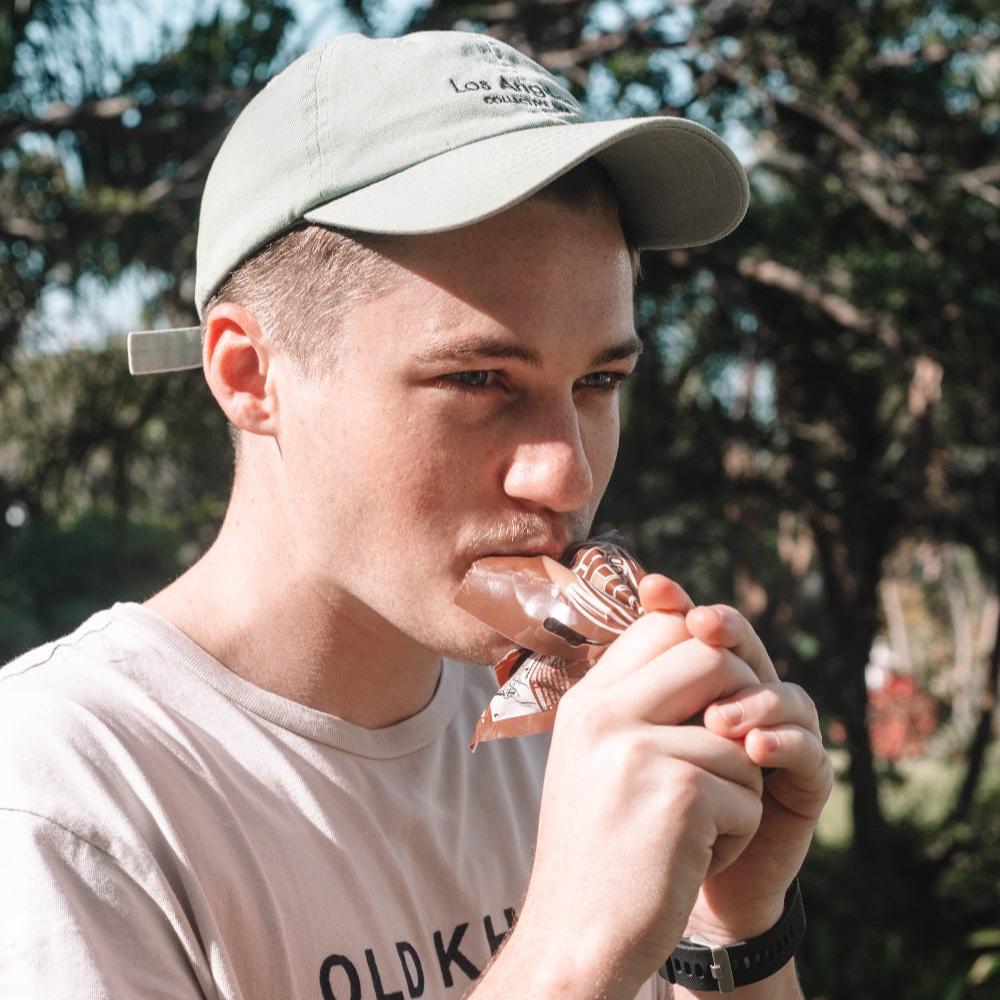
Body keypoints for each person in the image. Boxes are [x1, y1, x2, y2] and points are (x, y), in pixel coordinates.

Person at [0, 30, 833, 999]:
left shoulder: (566, 728)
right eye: (480, 378)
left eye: (599, 380)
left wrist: (728, 929)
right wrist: (565, 953)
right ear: (249, 374)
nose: (565, 474)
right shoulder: (66, 802)